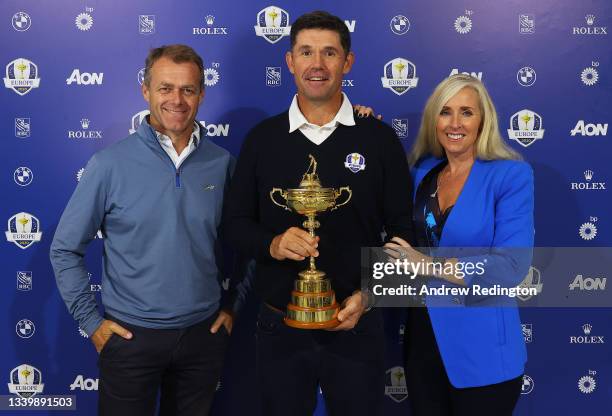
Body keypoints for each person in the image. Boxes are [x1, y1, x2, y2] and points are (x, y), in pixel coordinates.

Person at [223, 11, 413, 416]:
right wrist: (272, 243)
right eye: (306, 52)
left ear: (348, 62)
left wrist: (369, 295)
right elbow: (234, 226)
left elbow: (403, 233)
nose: (317, 64)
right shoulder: (262, 139)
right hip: (280, 326)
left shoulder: (378, 139)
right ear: (290, 62)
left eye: (330, 53)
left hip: (357, 323)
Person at [50, 44, 244, 416]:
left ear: (202, 94)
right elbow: (64, 249)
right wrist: (92, 323)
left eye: (188, 89)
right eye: (165, 88)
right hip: (129, 339)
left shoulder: (222, 164)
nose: (177, 100)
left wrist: (234, 305)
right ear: (146, 91)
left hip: (202, 337)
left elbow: (246, 241)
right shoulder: (109, 164)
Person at [384, 74, 534, 415]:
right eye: (445, 112)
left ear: (483, 120)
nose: (455, 123)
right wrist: (359, 124)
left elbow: (512, 266)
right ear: (433, 119)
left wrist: (429, 266)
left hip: (483, 350)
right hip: (423, 342)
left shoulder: (510, 175)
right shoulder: (422, 172)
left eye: (466, 112)